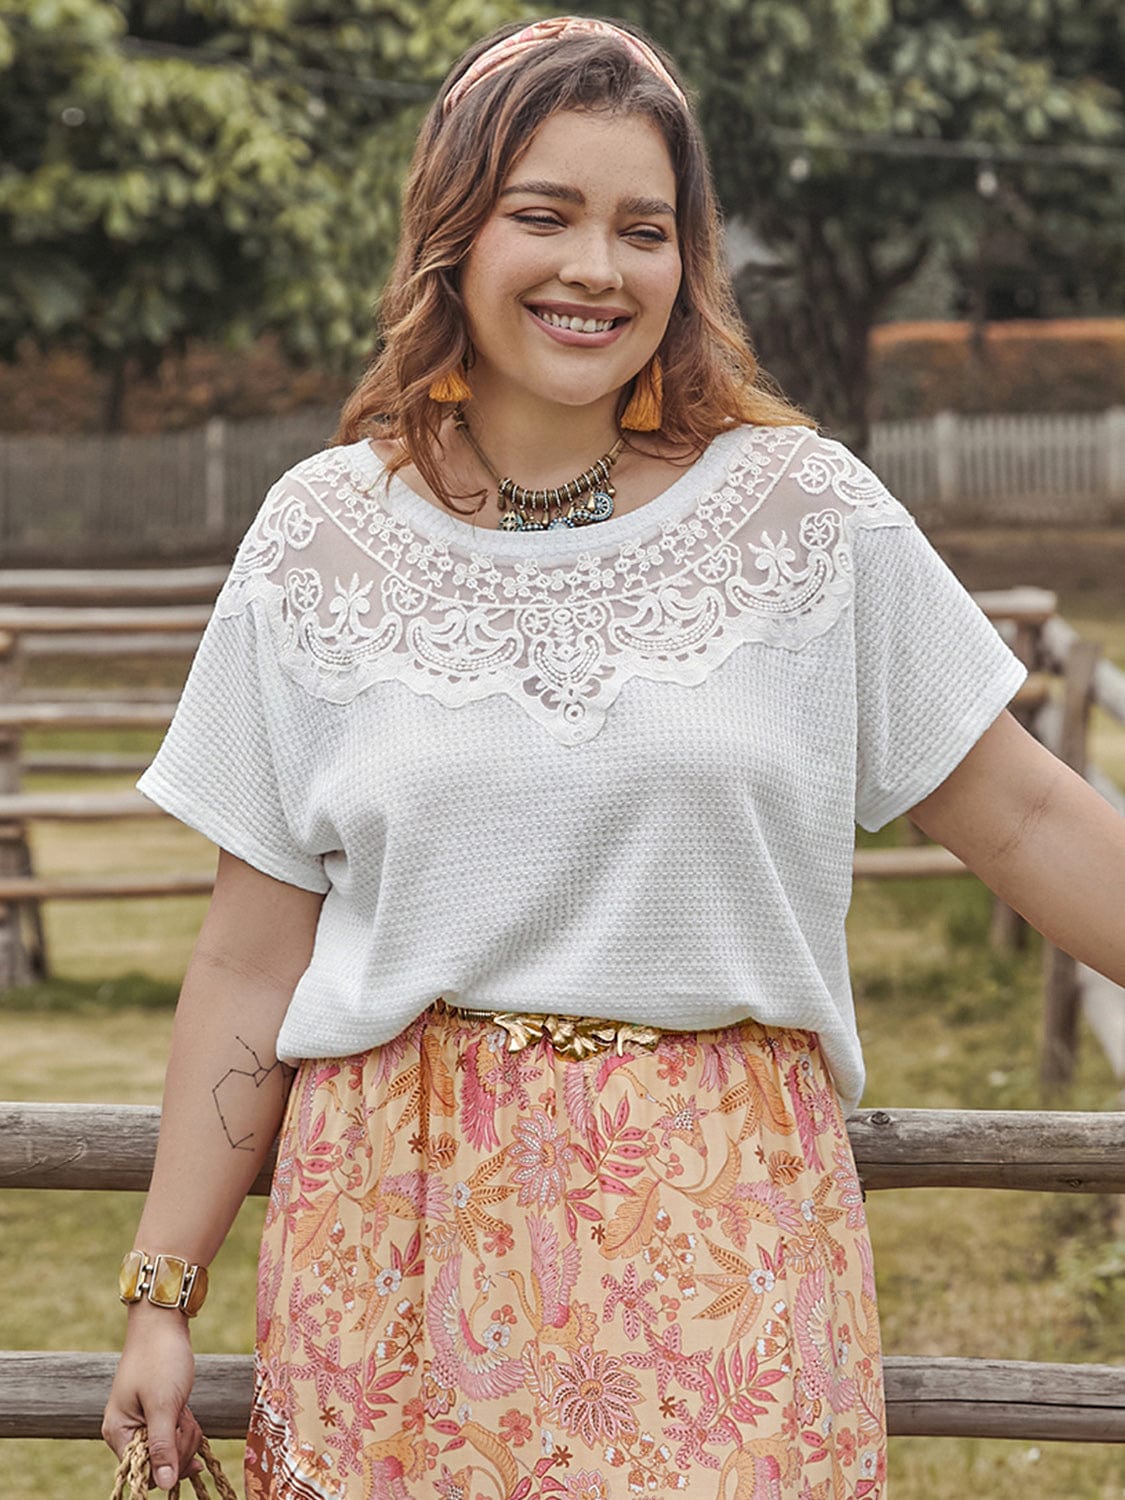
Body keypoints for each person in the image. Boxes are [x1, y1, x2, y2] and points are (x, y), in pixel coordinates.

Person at [101, 16, 1125, 1500]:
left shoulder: (804, 516)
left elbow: (1029, 815)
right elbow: (250, 965)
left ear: (685, 261)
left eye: (642, 228)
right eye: (544, 214)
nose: (596, 267)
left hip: (724, 1248)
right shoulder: (317, 538)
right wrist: (161, 1292)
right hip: (395, 1247)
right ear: (451, 234)